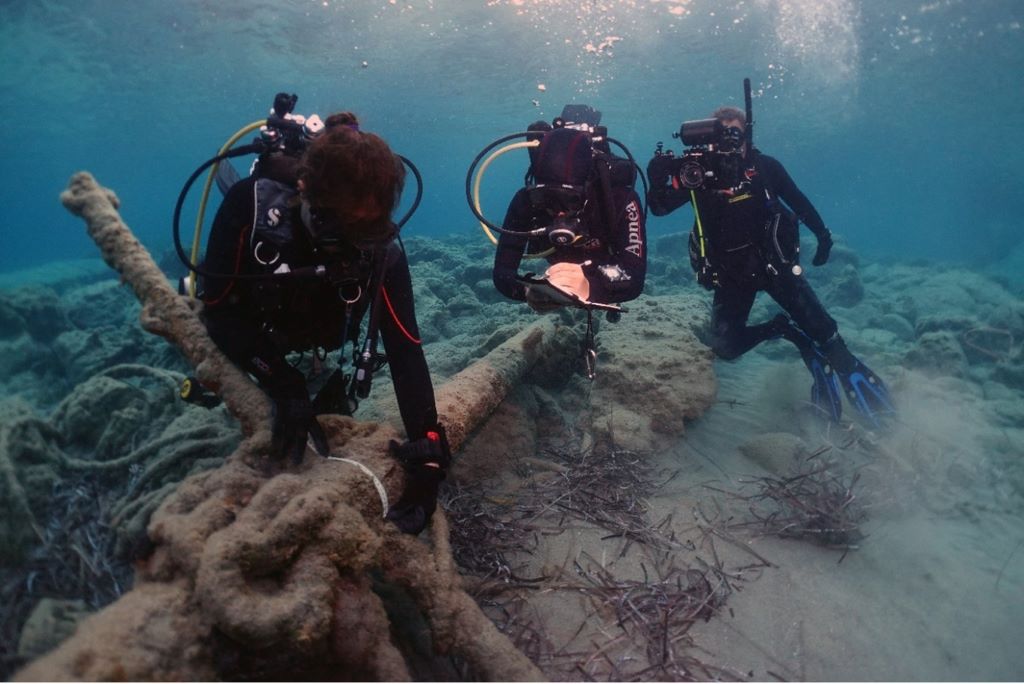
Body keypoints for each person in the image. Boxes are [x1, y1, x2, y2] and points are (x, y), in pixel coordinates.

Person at [198, 109, 448, 534]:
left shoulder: (381, 249)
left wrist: (427, 450)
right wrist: (282, 381)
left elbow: (405, 349)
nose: (350, 246)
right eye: (338, 227)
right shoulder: (250, 207)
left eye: (367, 230)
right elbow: (218, 315)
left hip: (321, 338)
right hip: (263, 334)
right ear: (304, 191)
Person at [646, 106, 894, 425]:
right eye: (720, 134)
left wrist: (823, 235)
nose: (728, 141)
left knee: (826, 334)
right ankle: (781, 327)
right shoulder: (699, 172)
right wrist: (656, 179)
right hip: (732, 274)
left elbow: (797, 200)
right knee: (726, 347)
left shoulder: (765, 167)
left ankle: (847, 370)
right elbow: (660, 208)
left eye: (734, 133)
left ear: (747, 134)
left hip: (775, 267)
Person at [492, 115, 647, 321]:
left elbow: (634, 279)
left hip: (604, 265)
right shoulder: (527, 200)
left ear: (588, 187)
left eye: (570, 199)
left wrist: (591, 287)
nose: (559, 213)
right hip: (559, 267)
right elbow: (502, 275)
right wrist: (528, 292)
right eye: (547, 197)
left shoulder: (618, 199)